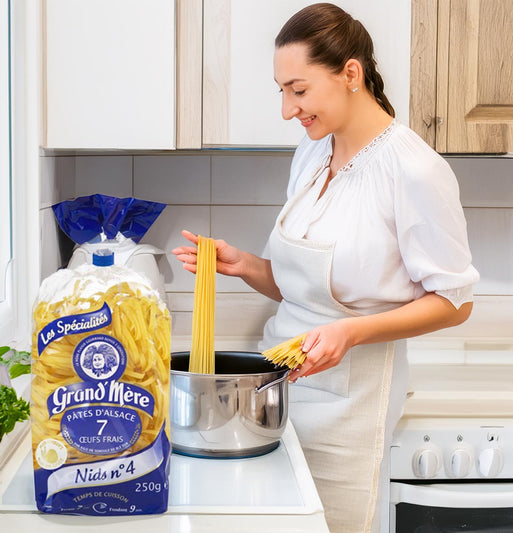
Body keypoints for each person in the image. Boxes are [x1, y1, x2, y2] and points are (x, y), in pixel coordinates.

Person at [172, 3, 479, 532]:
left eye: (299, 90)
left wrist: (350, 333)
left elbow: (455, 303)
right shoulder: (313, 153)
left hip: (349, 407)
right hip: (278, 390)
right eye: (282, 91)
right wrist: (245, 265)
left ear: (350, 74)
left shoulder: (415, 171)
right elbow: (305, 287)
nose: (287, 110)